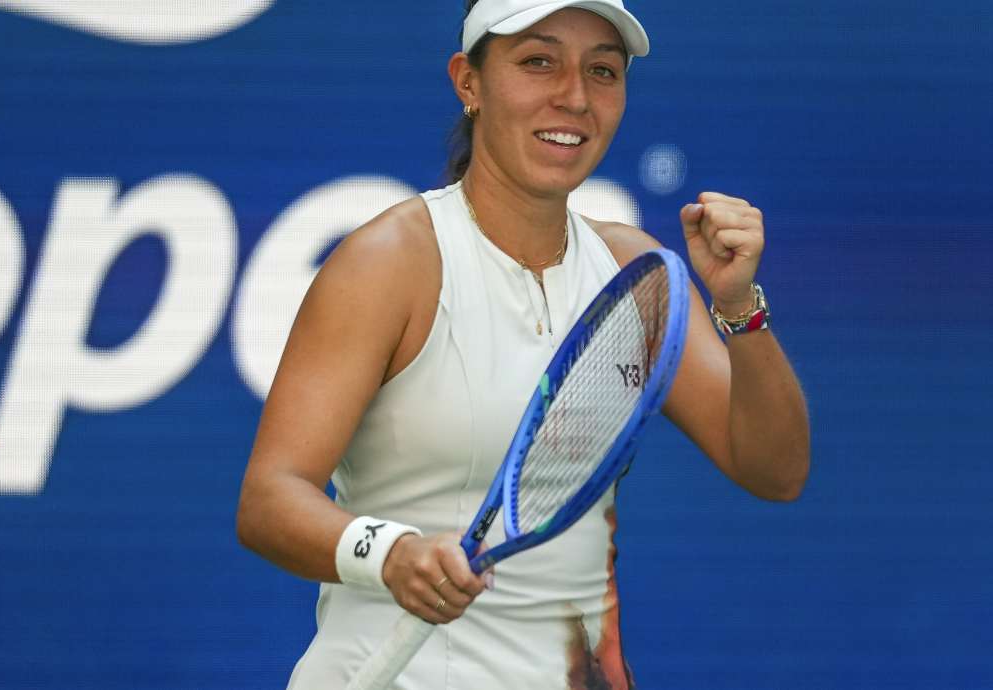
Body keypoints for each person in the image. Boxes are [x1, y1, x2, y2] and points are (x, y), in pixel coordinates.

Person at [236, 0, 810, 687]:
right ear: (468, 81)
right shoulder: (391, 259)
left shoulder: (633, 272)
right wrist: (390, 552)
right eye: (538, 61)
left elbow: (775, 470)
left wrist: (738, 306)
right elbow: (269, 499)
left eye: (603, 71)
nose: (574, 96)